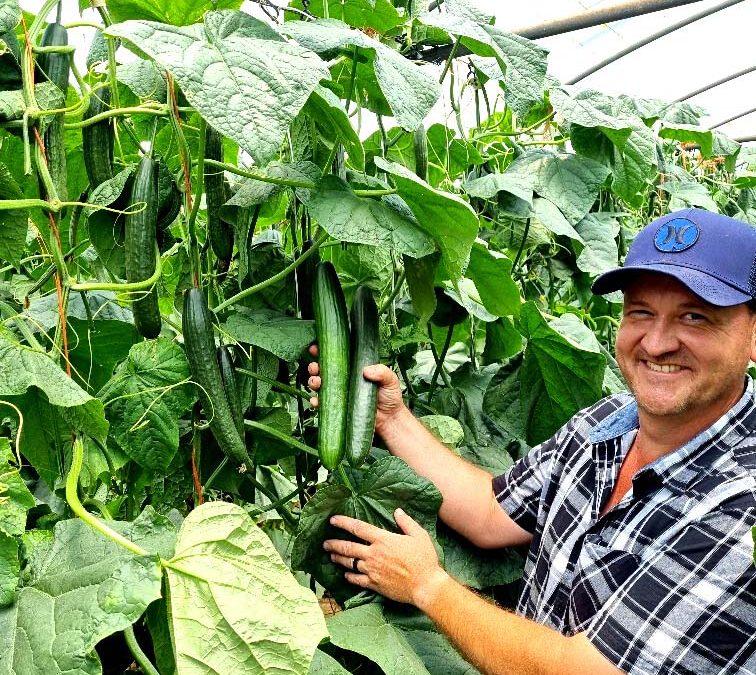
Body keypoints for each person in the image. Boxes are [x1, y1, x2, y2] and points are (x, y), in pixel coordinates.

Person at [308, 207, 756, 675]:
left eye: (695, 317)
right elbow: (488, 511)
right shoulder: (602, 426)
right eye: (641, 312)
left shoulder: (742, 505)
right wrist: (391, 418)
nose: (658, 342)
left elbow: (585, 671)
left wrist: (427, 585)